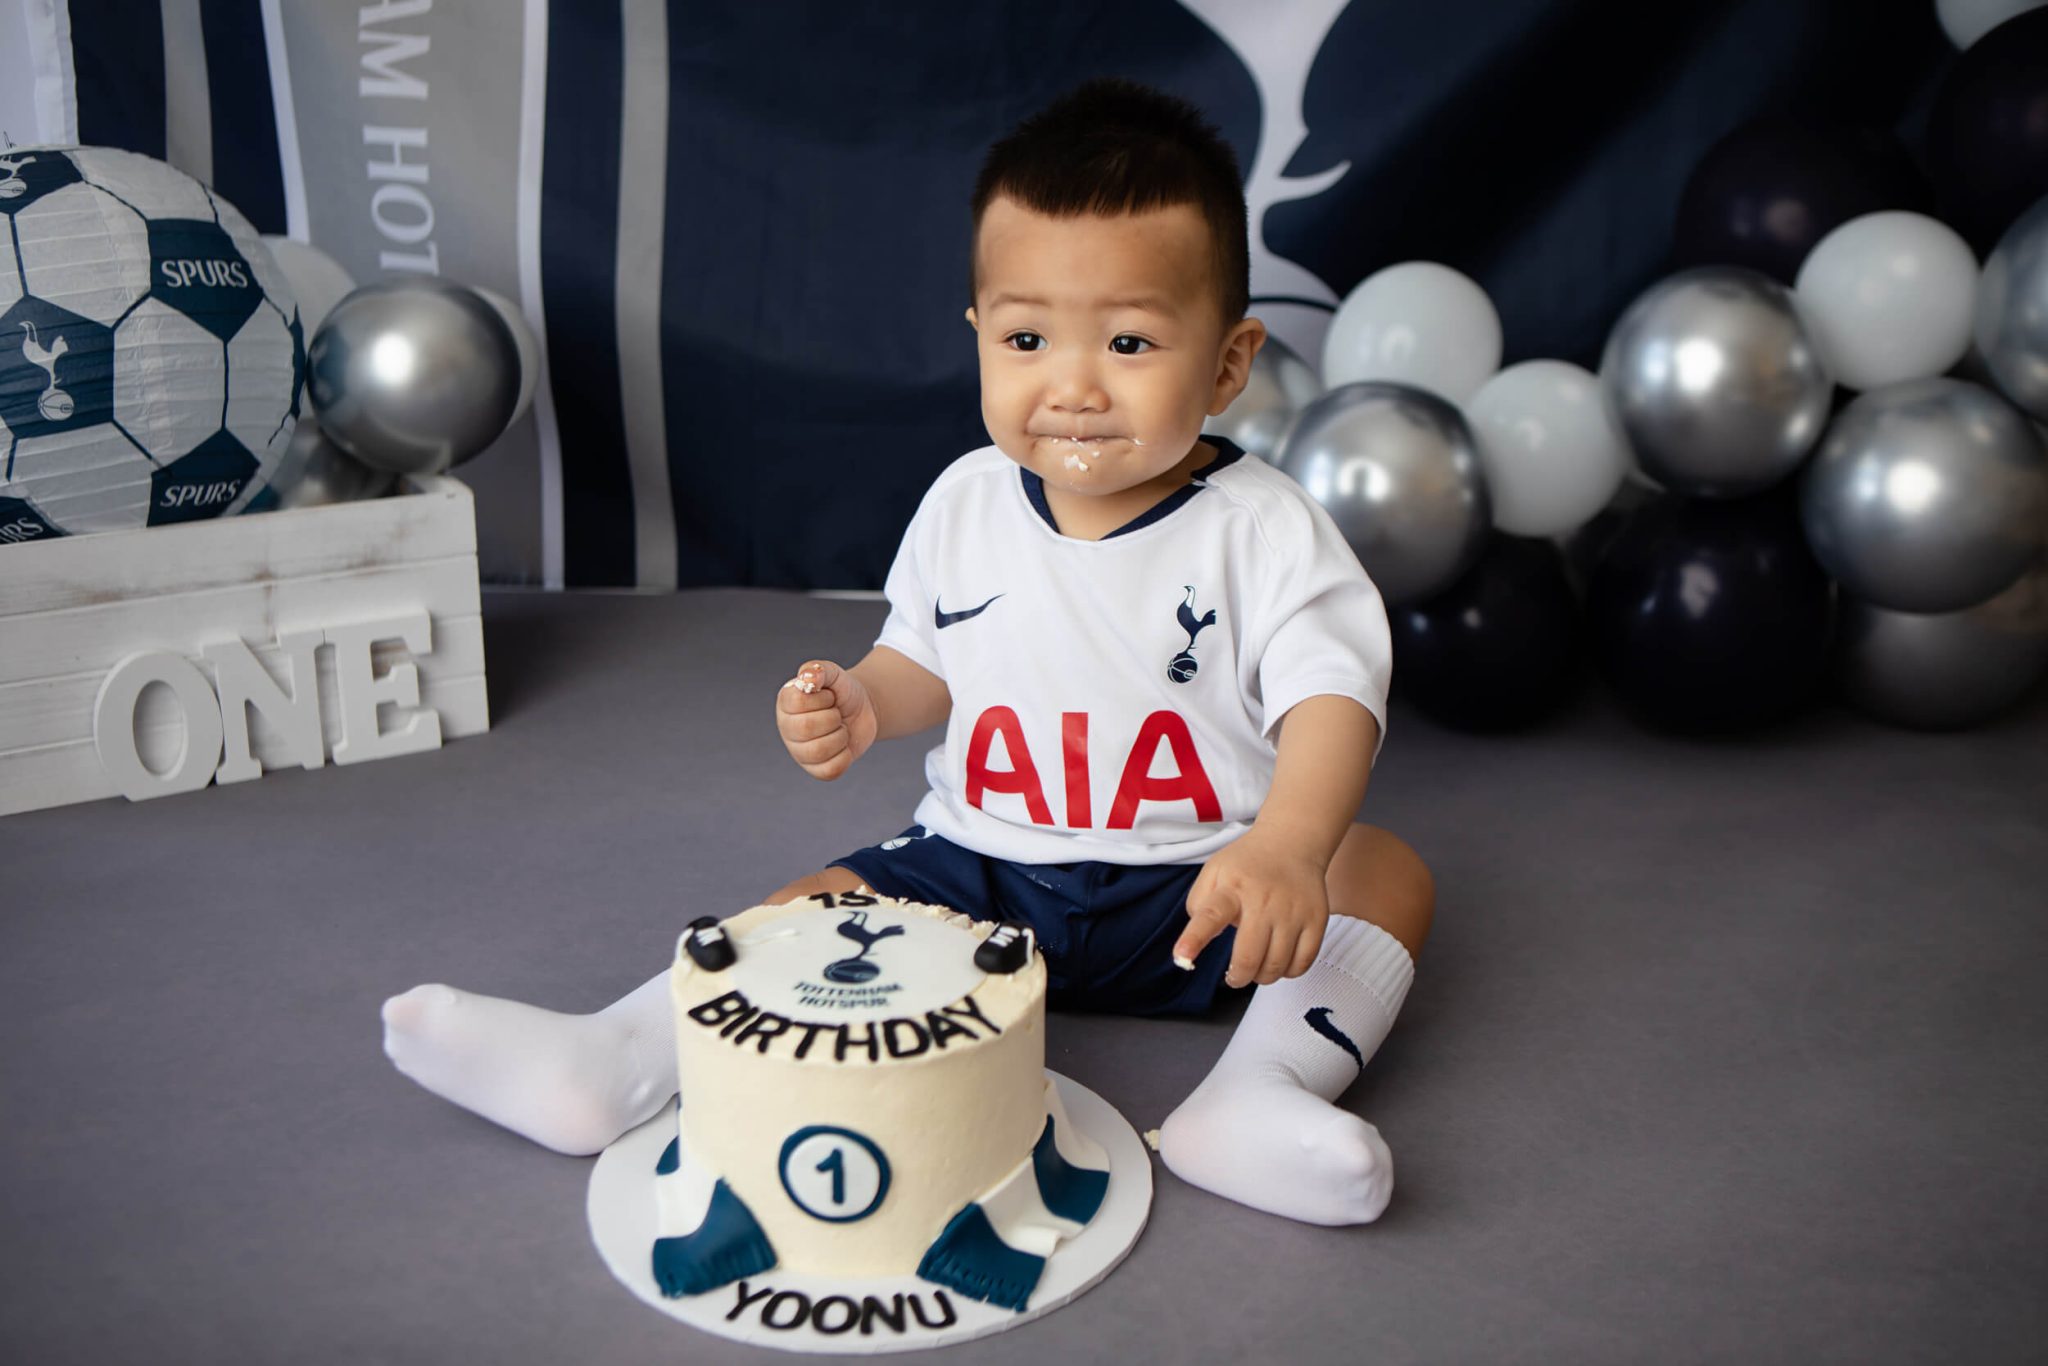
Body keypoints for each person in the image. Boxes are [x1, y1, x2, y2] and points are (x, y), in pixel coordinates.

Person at [383, 76, 1434, 1228]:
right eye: (1028, 337)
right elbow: (929, 657)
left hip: (1196, 896)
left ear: (1228, 364)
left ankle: (1253, 1095)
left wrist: (1284, 845)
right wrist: (865, 700)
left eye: (1129, 340)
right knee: (812, 899)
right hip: (977, 883)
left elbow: (1332, 695)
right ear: (979, 335)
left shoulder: (1264, 528)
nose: (1072, 386)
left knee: (1377, 868)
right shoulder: (966, 501)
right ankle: (621, 1056)